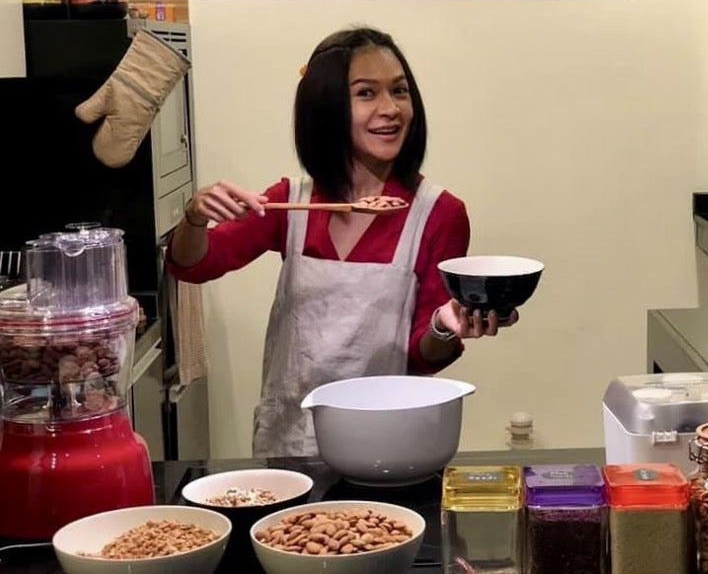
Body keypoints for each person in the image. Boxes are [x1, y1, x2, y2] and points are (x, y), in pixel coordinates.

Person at [167, 26, 518, 457]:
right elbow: (194, 265)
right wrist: (195, 215)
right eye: (366, 93)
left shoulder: (439, 213)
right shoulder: (293, 202)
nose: (391, 109)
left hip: (386, 443)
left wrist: (445, 327)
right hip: (289, 441)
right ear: (326, 107)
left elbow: (422, 356)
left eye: (400, 91)